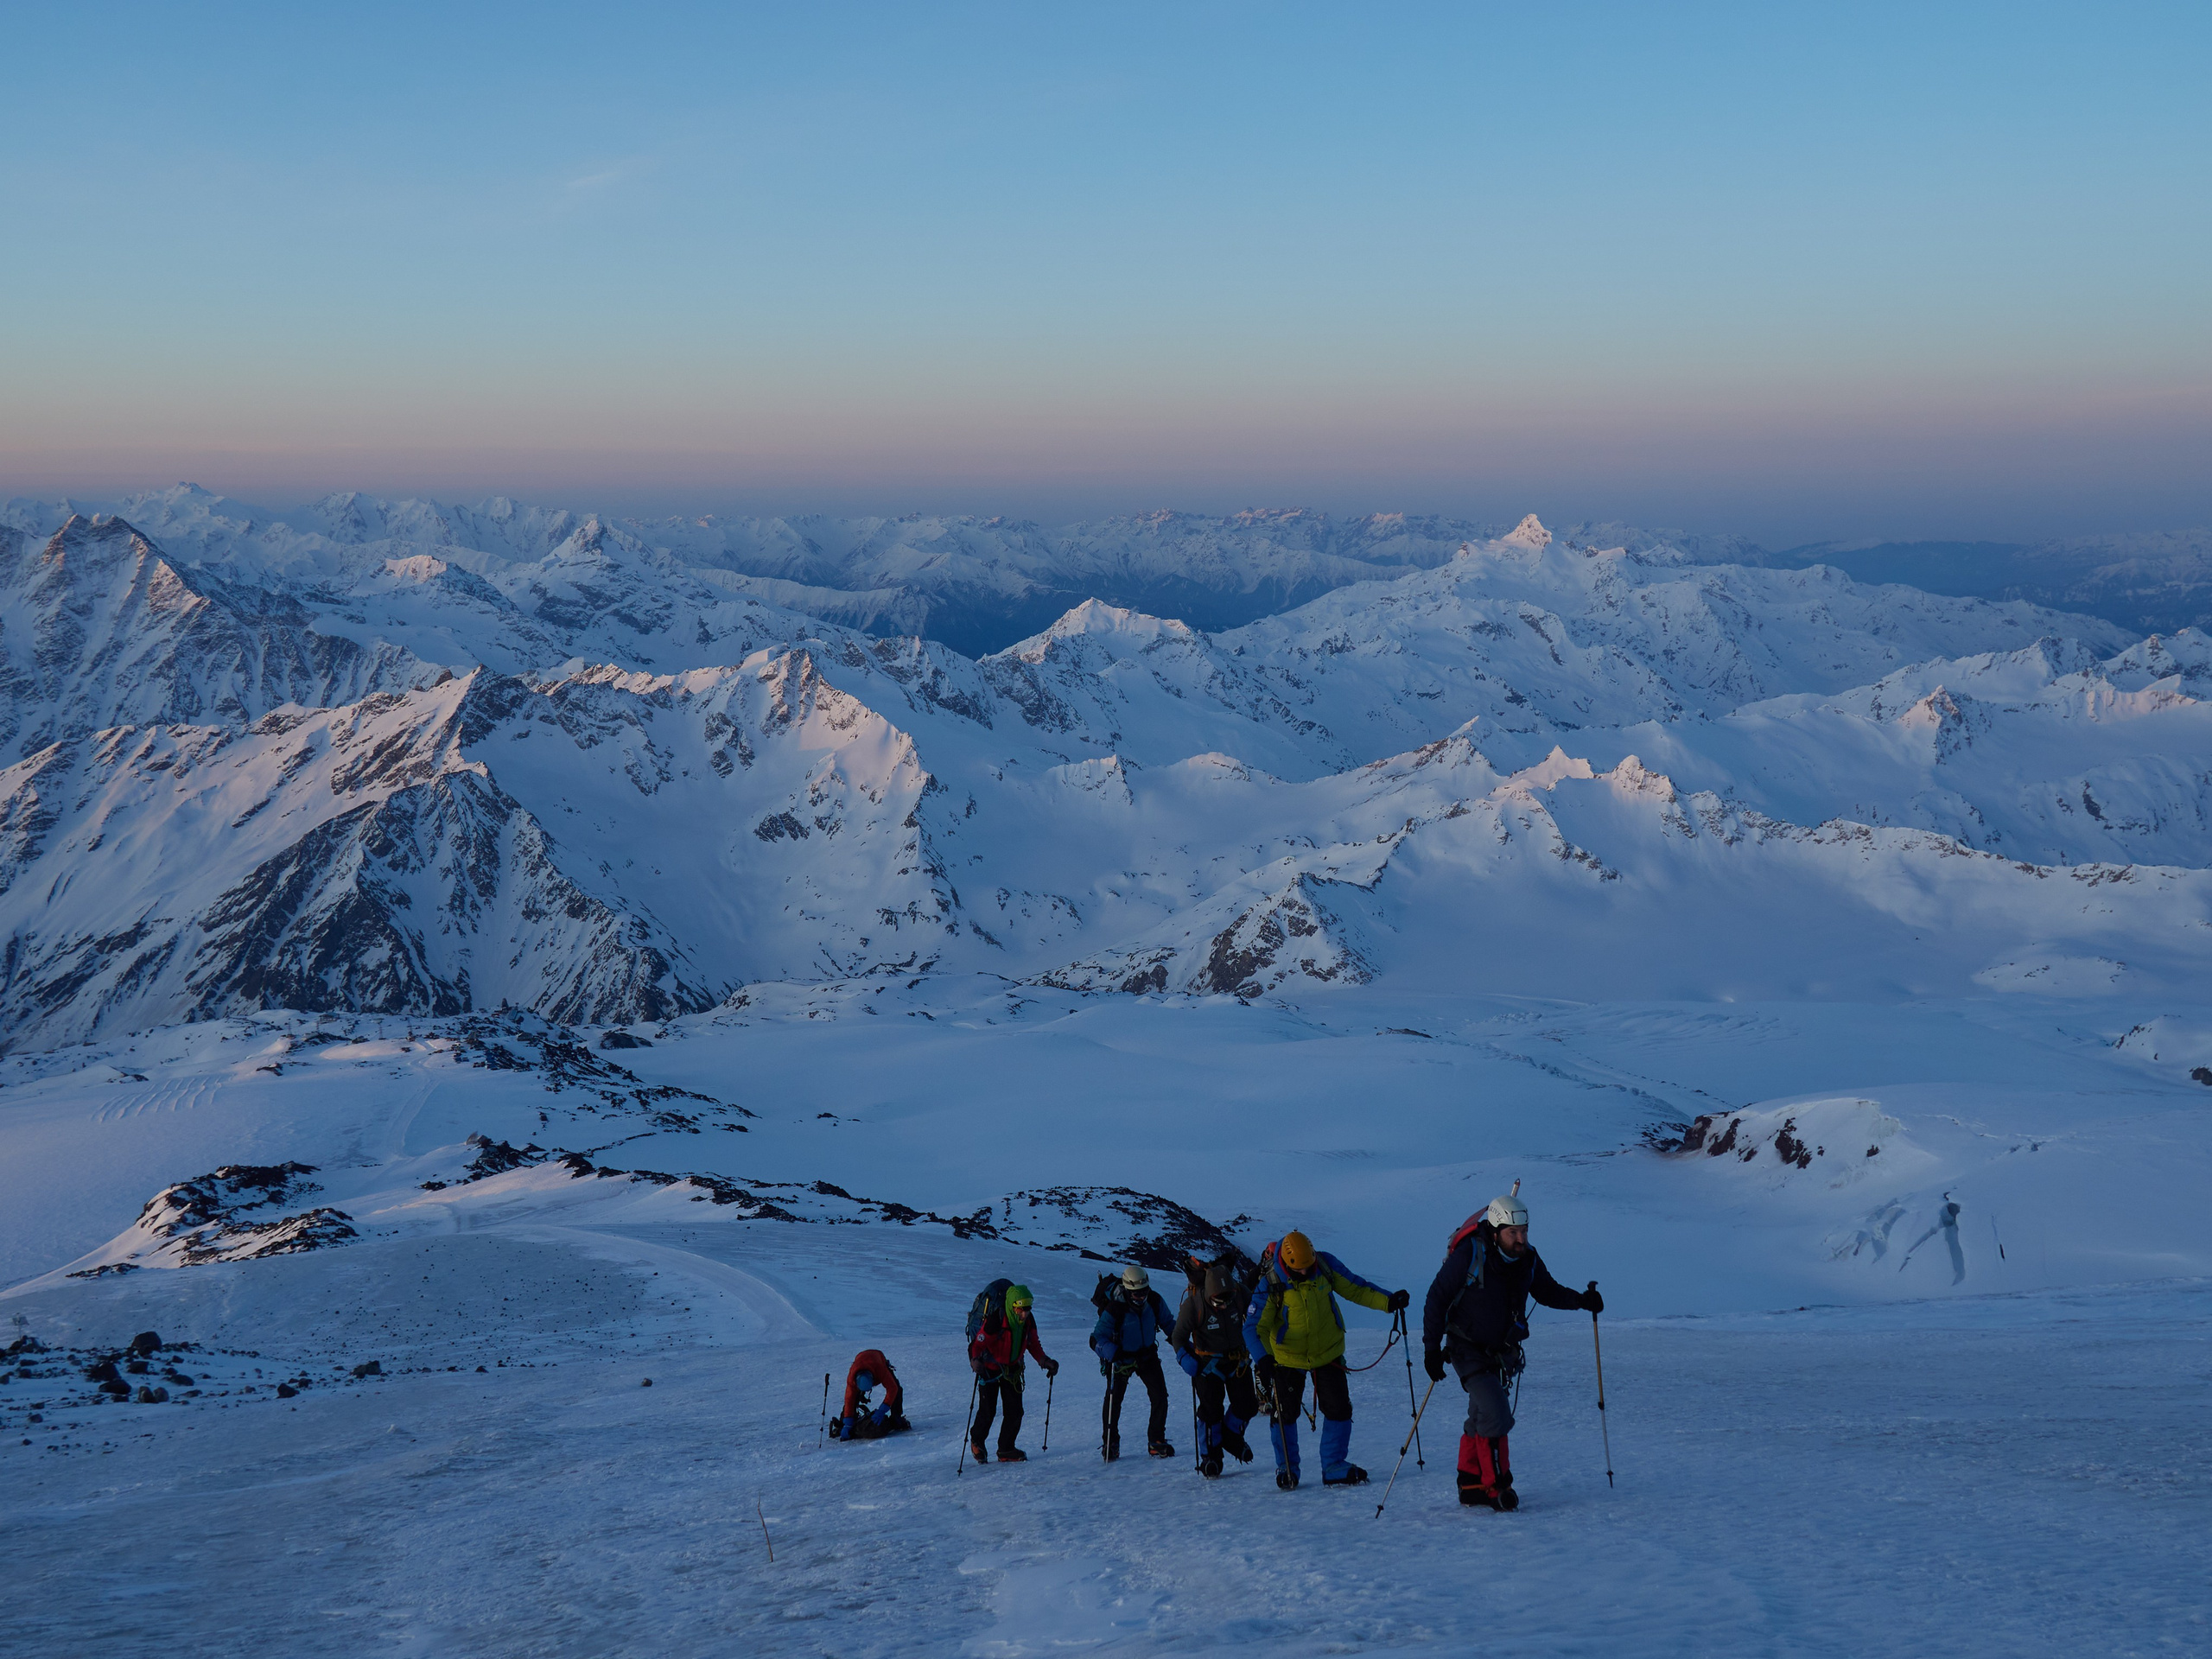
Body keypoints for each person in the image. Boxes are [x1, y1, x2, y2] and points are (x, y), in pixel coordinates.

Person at [1421, 1188, 1600, 1510]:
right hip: (1466, 1346)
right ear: (1495, 1231)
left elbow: (1546, 1290)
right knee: (1495, 1412)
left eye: (1524, 1231)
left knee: (1481, 1416)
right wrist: (1431, 1350)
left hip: (1502, 1351)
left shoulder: (1527, 1258)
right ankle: (1497, 1487)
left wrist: (1580, 1301)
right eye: (1513, 1232)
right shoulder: (1470, 1255)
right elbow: (1436, 1299)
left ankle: (1471, 1483)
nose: (1521, 1239)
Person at [1243, 1230, 1409, 1490]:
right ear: (1286, 1263)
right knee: (1285, 1412)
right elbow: (1253, 1327)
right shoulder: (1271, 1282)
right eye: (1299, 1270)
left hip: (1328, 1352)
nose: (1306, 1273)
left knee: (1339, 1409)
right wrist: (1263, 1359)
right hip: (1287, 1358)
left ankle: (1333, 1466)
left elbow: (1356, 1288)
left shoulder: (1324, 1265)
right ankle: (1287, 1468)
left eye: (1309, 1267)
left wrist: (1388, 1301)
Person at [1172, 1254, 1260, 1478]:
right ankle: (1211, 1457)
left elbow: (1258, 1312)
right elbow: (1178, 1337)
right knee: (1211, 1411)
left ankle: (1231, 1438)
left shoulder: (1238, 1294)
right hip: (1207, 1365)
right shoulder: (1193, 1305)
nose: (1223, 1306)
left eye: (1227, 1301)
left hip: (1237, 1360)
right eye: (1218, 1302)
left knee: (1248, 1405)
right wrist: (1185, 1359)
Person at [1090, 1263, 1177, 1460]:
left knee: (1160, 1396)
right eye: (1136, 1293)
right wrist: (1112, 1352)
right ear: (1128, 1291)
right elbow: (1096, 1338)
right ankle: (1111, 1443)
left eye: (1144, 1292)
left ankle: (1156, 1441)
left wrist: (1183, 1345)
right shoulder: (1115, 1309)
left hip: (1147, 1356)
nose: (1141, 1297)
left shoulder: (1154, 1300)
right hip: (1121, 1359)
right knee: (1114, 1401)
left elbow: (1168, 1323)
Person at [967, 1281, 1058, 1463]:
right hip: (990, 1369)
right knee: (988, 1410)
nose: (1024, 1313)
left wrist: (1044, 1361)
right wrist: (975, 1360)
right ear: (1012, 1306)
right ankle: (977, 1442)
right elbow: (978, 1342)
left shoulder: (1028, 1321)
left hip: (1013, 1369)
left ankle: (1006, 1449)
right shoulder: (997, 1319)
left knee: (1015, 1411)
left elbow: (1032, 1343)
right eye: (1020, 1310)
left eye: (1027, 1309)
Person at [830, 1348, 909, 1441]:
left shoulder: (880, 1369)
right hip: (861, 1359)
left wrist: (882, 1410)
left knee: (897, 1389)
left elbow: (892, 1389)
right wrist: (847, 1422)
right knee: (854, 1396)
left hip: (878, 1358)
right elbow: (849, 1399)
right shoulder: (852, 1378)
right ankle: (845, 1423)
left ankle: (896, 1417)